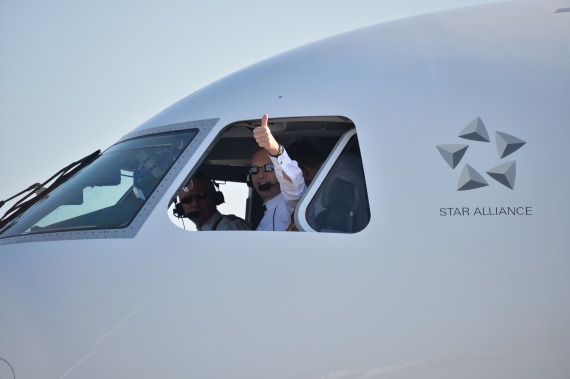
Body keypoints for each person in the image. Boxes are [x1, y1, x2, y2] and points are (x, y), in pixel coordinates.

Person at [251, 114, 306, 231]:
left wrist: (275, 150)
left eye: (269, 167)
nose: (260, 175)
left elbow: (293, 186)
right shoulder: (264, 213)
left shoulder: (289, 206)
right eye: (255, 170)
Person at [176, 173, 251, 231]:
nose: (195, 204)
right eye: (187, 199)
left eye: (201, 195)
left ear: (215, 197)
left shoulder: (232, 228)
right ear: (180, 207)